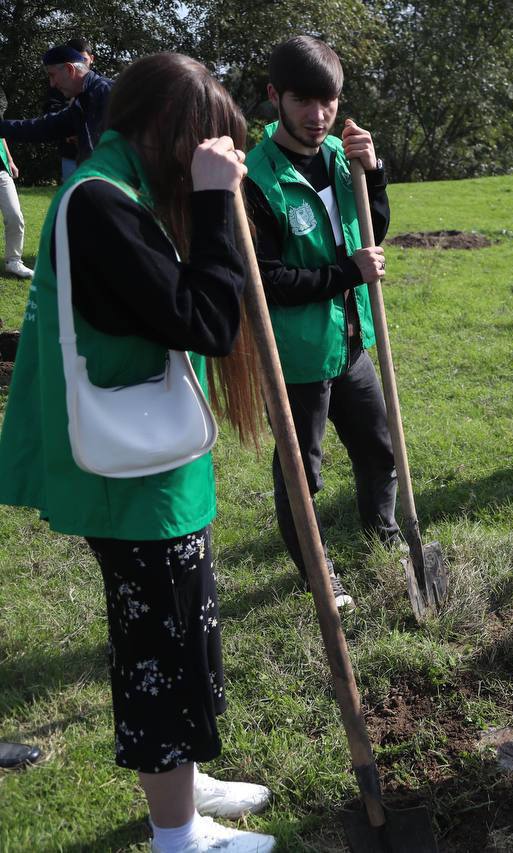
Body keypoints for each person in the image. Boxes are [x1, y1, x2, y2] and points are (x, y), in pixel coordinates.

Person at [0, 53, 275, 852]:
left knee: (189, 625)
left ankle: (185, 772)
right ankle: (177, 831)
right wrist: (218, 204)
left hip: (153, 456)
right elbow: (208, 321)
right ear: (167, 130)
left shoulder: (120, 186)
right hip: (128, 469)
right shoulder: (99, 205)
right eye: (203, 143)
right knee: (158, 645)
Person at [243, 36, 399, 609]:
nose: (317, 115)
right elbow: (265, 281)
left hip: (351, 340)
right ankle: (317, 571)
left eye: (327, 101)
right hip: (297, 355)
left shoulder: (340, 156)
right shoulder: (254, 179)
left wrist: (373, 171)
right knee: (301, 478)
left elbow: (371, 231)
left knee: (379, 450)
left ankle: (382, 533)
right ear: (274, 98)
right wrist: (345, 274)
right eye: (303, 101)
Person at [0, 44, 113, 164]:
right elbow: (44, 127)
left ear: (70, 69)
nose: (52, 84)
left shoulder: (109, 93)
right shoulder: (82, 101)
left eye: (52, 75)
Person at [44, 38, 96, 182]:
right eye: (75, 59)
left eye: (83, 60)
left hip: (97, 157)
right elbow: (51, 112)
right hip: (71, 155)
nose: (80, 64)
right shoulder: (58, 84)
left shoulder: (102, 88)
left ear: (91, 59)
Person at [0, 137, 32, 278]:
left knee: (14, 215)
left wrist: (10, 160)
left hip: (1, 171)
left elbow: (1, 136)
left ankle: (13, 261)